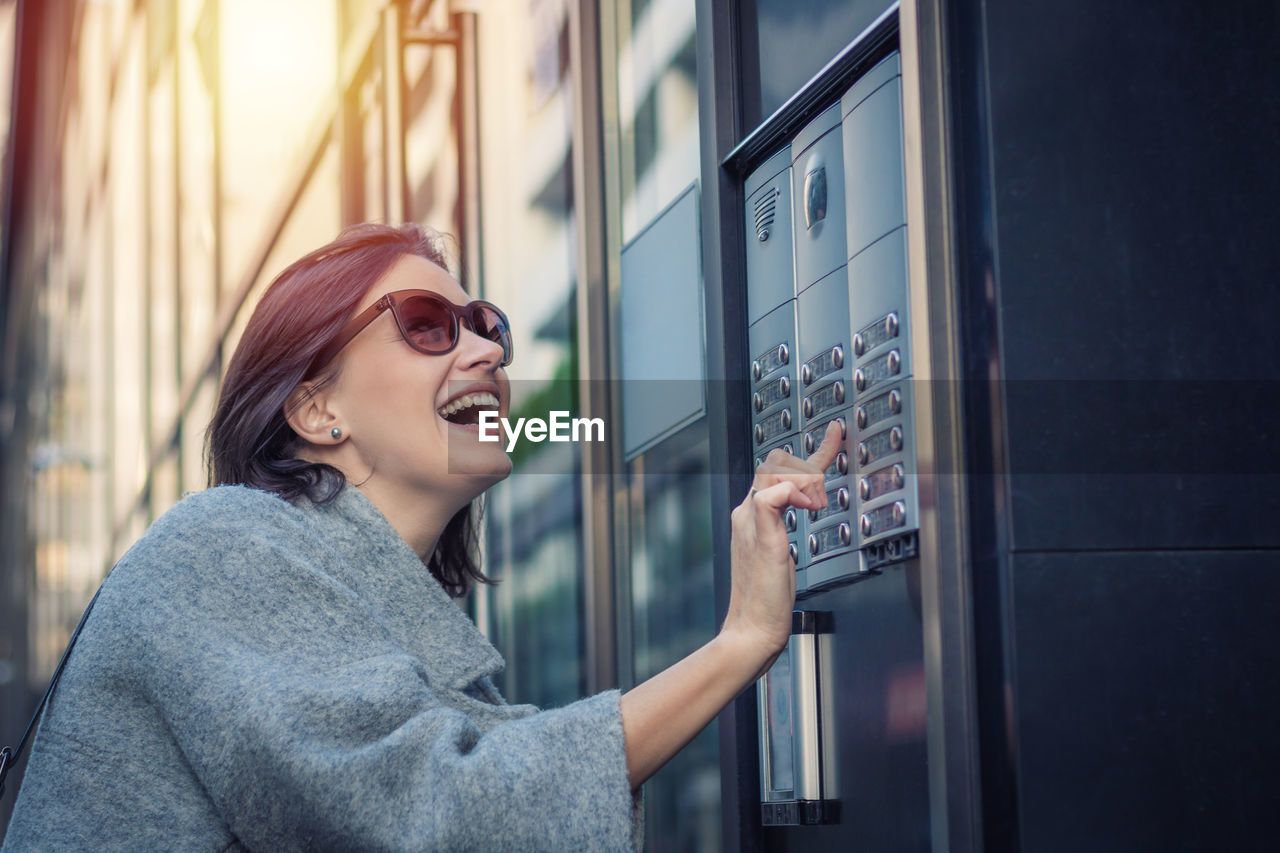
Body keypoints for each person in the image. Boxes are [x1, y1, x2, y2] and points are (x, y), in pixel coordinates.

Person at [1, 222, 841, 851]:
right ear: (316, 408)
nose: (485, 349)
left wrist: (746, 636)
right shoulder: (222, 546)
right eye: (428, 322)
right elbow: (441, 807)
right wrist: (741, 641)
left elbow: (490, 767)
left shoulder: (333, 591)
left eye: (486, 325)